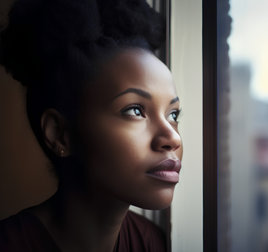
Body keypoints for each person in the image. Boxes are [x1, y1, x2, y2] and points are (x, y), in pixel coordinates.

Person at [0, 0, 182, 251]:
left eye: (173, 115)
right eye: (135, 110)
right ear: (60, 135)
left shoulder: (154, 243)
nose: (173, 138)